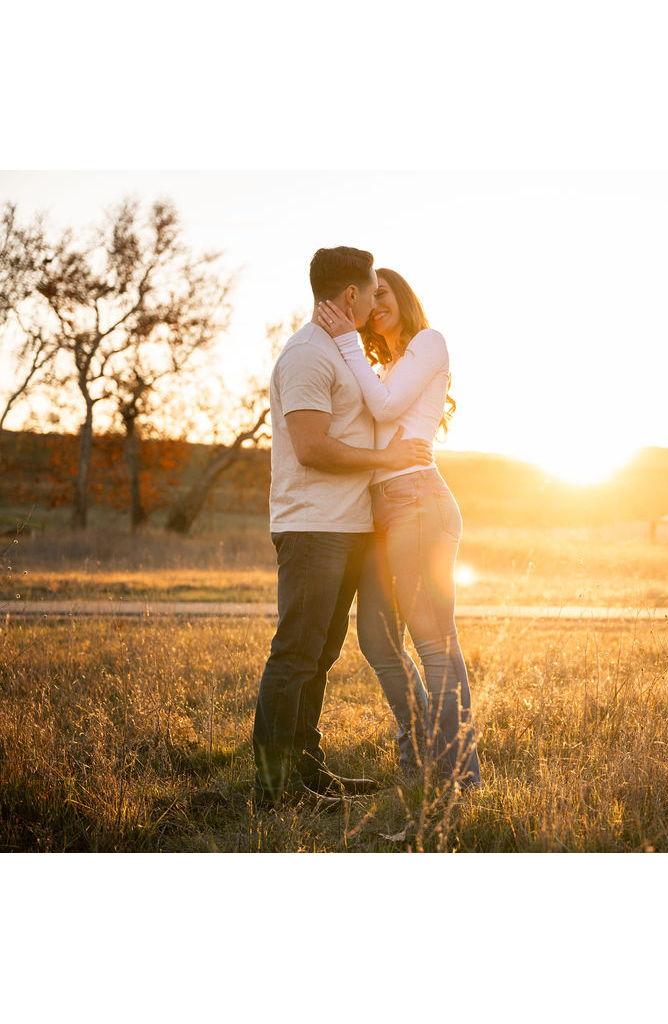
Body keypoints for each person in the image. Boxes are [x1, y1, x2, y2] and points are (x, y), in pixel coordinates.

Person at [252, 247, 433, 810]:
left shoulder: (337, 350)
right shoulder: (307, 354)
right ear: (351, 294)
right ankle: (276, 790)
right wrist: (387, 459)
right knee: (295, 653)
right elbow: (311, 448)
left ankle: (306, 770)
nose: (377, 300)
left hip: (346, 526)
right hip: (313, 528)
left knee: (320, 654)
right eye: (372, 290)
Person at [314, 268, 482, 789]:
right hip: (382, 509)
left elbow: (385, 408)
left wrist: (345, 339)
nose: (376, 304)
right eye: (371, 297)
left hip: (418, 501)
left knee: (434, 643)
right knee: (378, 639)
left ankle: (459, 776)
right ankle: (422, 751)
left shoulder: (429, 343)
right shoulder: (382, 365)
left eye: (382, 293)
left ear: (402, 296)